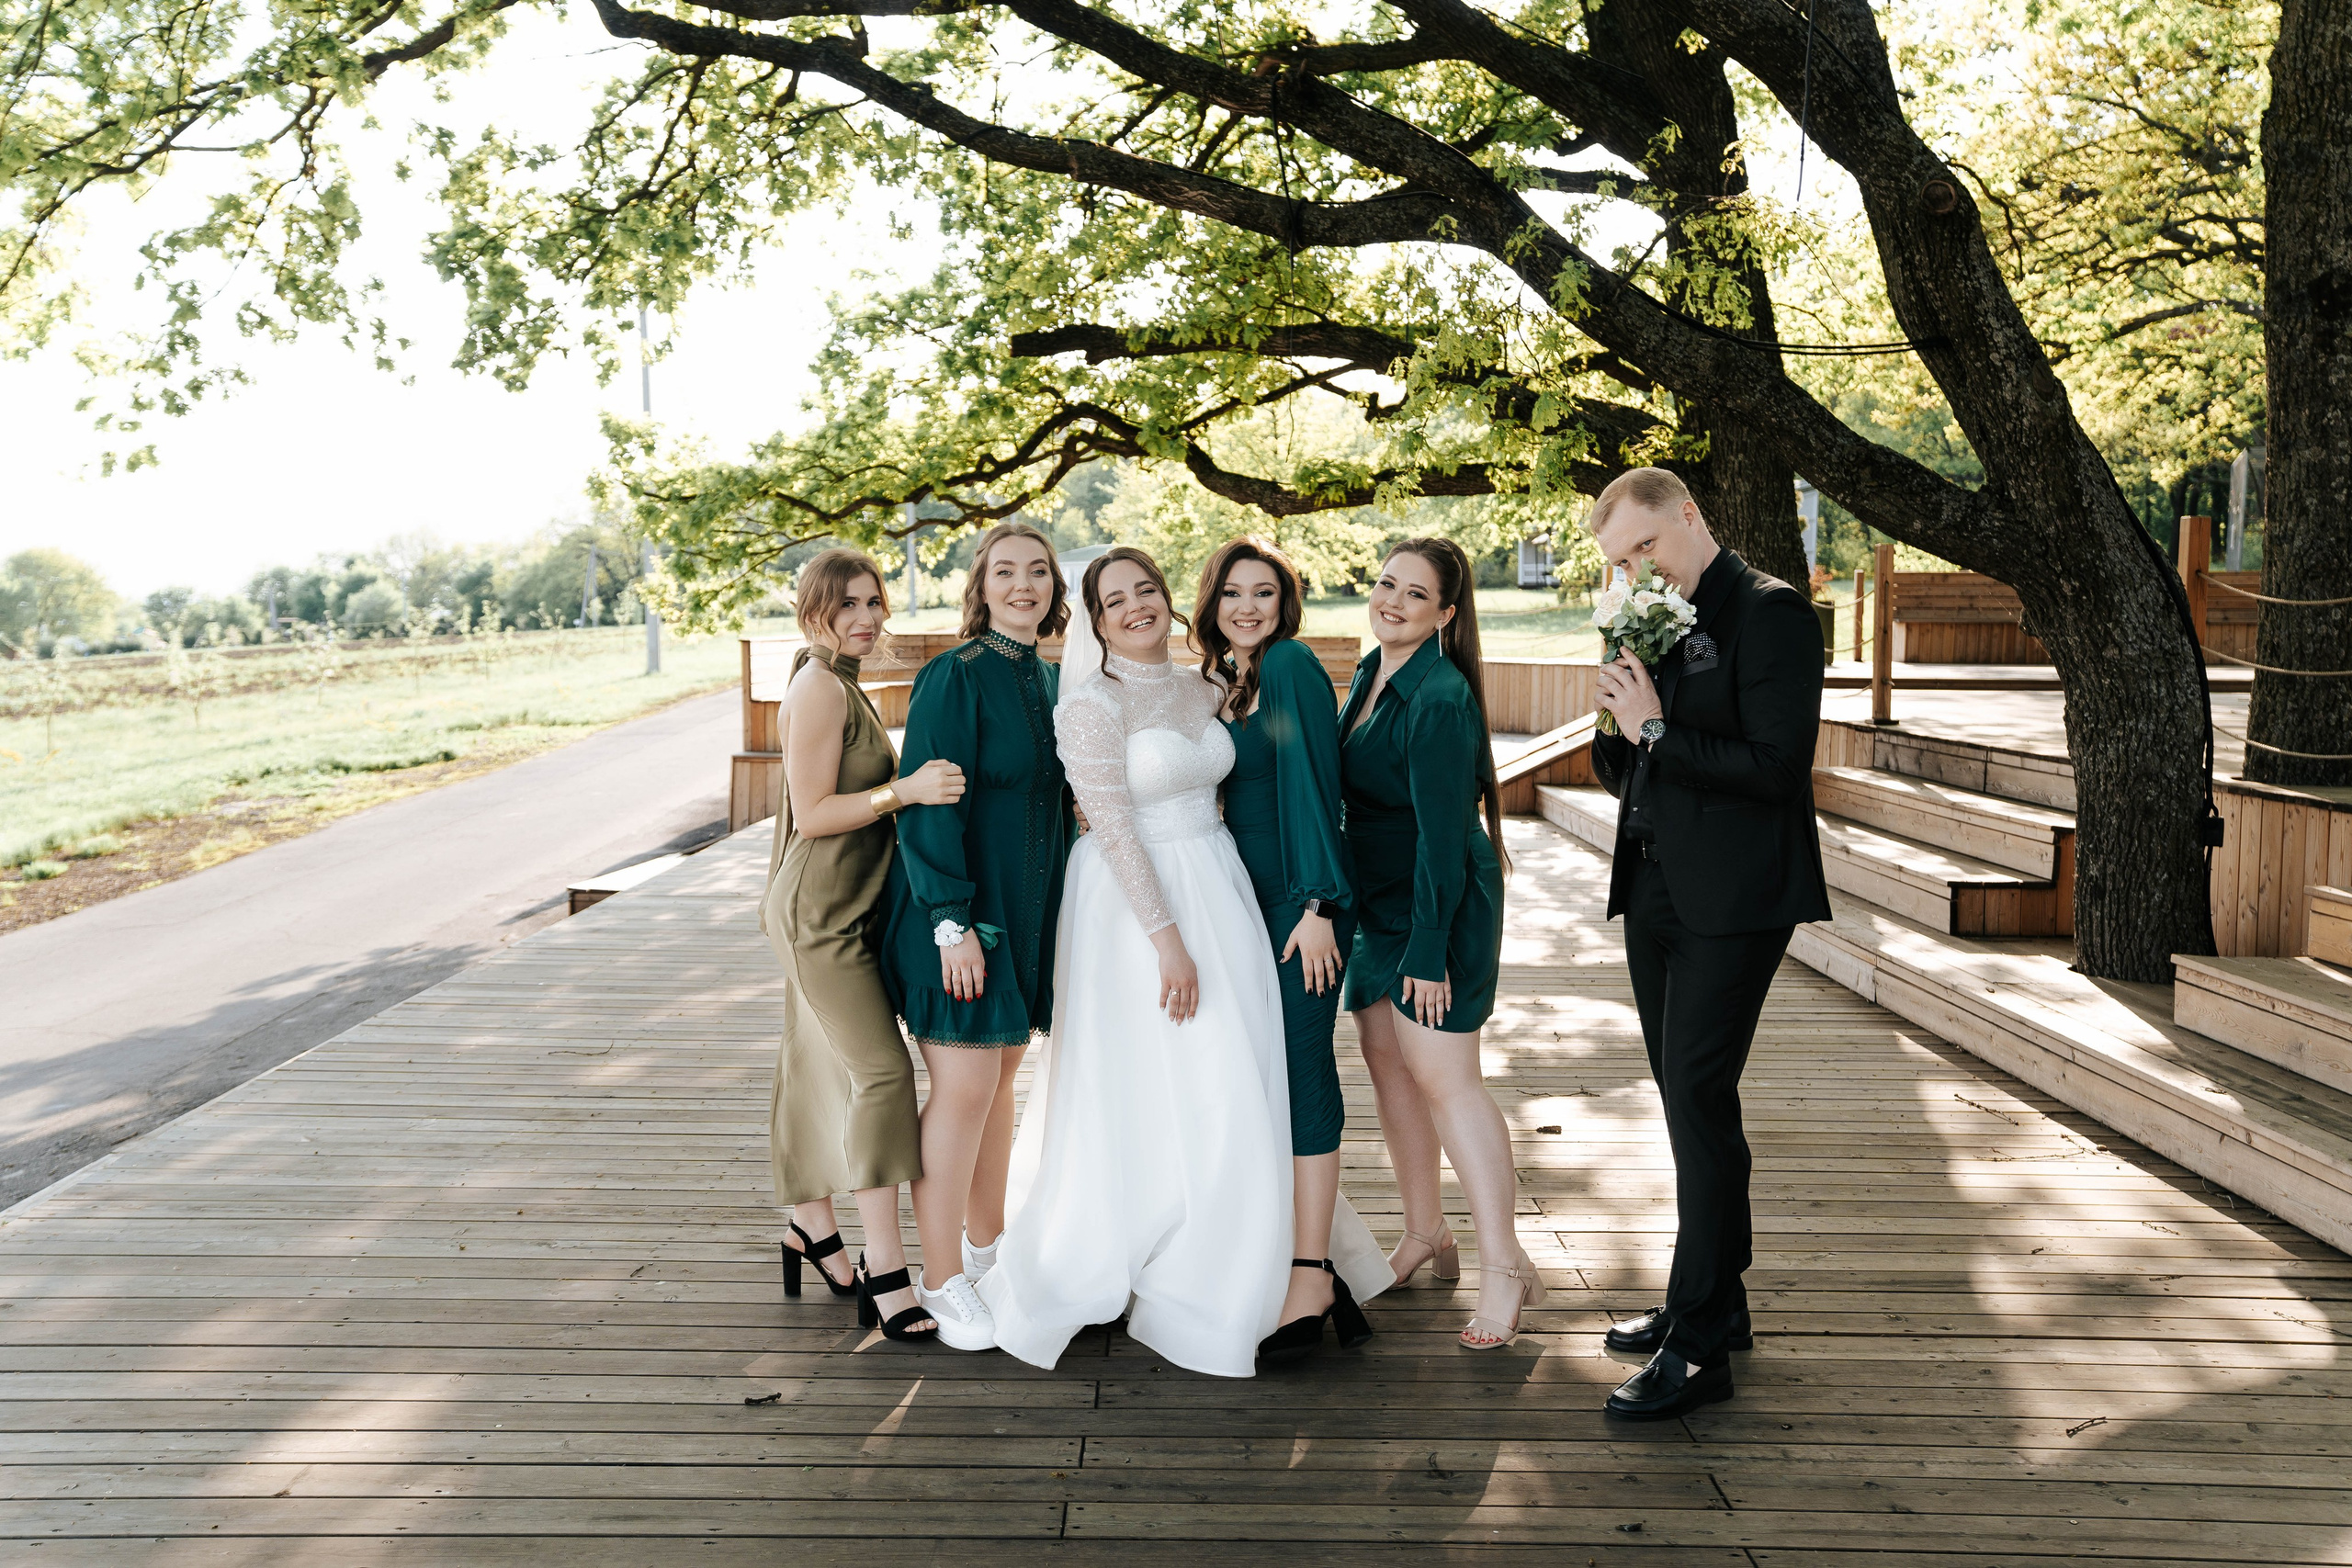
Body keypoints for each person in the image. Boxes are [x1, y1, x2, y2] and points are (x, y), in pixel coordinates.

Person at [978, 547, 1385, 1378]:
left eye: (1147, 590)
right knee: (1148, 1073)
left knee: (1230, 1071)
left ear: (1169, 599)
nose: (1136, 606)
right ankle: (1148, 1242)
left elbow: (1250, 779)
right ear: (1095, 621)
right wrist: (1167, 939)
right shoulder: (1089, 704)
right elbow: (1110, 824)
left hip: (1222, 885)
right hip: (1135, 908)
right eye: (1114, 599)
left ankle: (1244, 1244)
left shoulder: (1206, 686)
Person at [1588, 466, 1830, 1420]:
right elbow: (1622, 764)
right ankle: (1716, 1301)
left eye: (1646, 546)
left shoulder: (1771, 613)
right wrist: (1620, 721)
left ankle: (1696, 1349)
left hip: (1733, 899)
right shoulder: (1645, 617)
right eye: (1620, 561)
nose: (1636, 570)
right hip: (1652, 887)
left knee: (1695, 1096)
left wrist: (1652, 726)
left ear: (1690, 515)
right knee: (1690, 1101)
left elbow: (1777, 768)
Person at [760, 547, 965, 1344]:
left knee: (813, 1064)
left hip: (845, 908)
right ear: (813, 609)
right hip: (820, 915)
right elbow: (813, 813)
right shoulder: (818, 687)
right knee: (882, 1075)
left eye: (875, 601)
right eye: (848, 604)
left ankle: (810, 1223)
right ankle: (887, 1268)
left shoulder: (837, 681)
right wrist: (902, 791)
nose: (868, 617)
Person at [878, 521, 1072, 1350]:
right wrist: (950, 922)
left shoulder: (1054, 679)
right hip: (953, 918)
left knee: (998, 1087)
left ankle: (986, 1251)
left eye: (1038, 571)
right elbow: (928, 805)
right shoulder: (954, 676)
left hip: (1025, 922)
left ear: (1055, 587)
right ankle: (940, 1276)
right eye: (1005, 572)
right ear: (981, 587)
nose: (1023, 584)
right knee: (962, 1091)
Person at [1338, 537, 1533, 1352]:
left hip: (1437, 903)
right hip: (1378, 901)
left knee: (1448, 1079)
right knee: (1388, 1063)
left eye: (1415, 594)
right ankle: (1425, 1230)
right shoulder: (1370, 671)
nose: (1393, 601)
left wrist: (1427, 947)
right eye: (1387, 583)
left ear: (1446, 613)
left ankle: (1505, 1263)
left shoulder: (1441, 695)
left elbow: (1444, 836)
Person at [1193, 538, 1381, 1363]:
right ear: (1212, 602)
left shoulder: (1292, 664)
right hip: (1243, 904)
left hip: (1300, 907)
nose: (1248, 607)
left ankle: (1310, 1274)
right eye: (1233, 592)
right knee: (1261, 1071)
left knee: (1304, 1068)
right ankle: (1299, 1254)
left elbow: (1315, 788)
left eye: (1263, 592)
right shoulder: (1229, 678)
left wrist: (1318, 905)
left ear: (1285, 602)